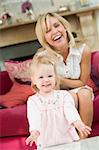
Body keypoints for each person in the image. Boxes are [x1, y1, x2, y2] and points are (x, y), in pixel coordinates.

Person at [35, 12, 94, 135]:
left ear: (65, 27)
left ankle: (83, 141)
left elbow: (82, 82)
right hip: (55, 93)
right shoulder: (42, 57)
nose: (55, 31)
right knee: (68, 98)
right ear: (44, 38)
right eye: (48, 31)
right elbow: (44, 87)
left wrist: (59, 79)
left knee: (84, 94)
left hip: (79, 88)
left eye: (57, 25)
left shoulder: (83, 49)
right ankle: (72, 140)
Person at [25, 54, 91, 149]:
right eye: (41, 77)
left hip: (68, 140)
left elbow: (70, 111)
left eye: (50, 76)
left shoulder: (64, 95)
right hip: (47, 142)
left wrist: (78, 123)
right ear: (33, 80)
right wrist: (34, 132)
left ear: (55, 77)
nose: (46, 80)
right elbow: (34, 118)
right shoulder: (33, 101)